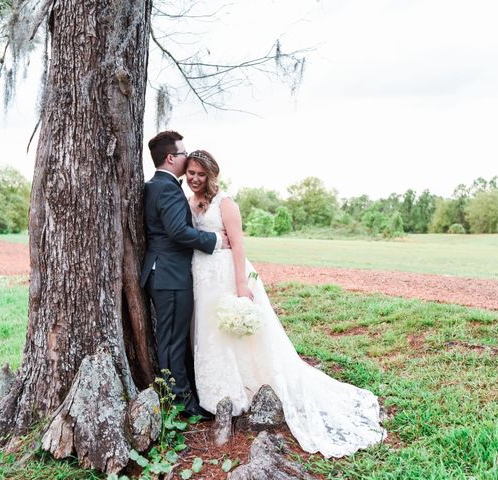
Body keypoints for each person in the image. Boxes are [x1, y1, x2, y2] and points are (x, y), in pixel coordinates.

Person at [185, 149, 386, 457]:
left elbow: (238, 244)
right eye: (191, 172)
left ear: (211, 175)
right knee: (210, 333)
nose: (195, 178)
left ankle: (245, 390)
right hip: (202, 277)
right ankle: (218, 395)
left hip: (226, 274)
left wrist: (241, 285)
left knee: (235, 334)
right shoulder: (190, 202)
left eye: (201, 173)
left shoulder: (226, 203)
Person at [140, 131, 229, 419]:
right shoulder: (165, 188)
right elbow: (177, 231)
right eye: (183, 154)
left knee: (172, 339)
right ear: (171, 158)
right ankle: (182, 405)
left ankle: (181, 397)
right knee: (172, 341)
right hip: (169, 275)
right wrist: (214, 241)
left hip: (165, 272)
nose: (186, 157)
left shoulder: (159, 185)